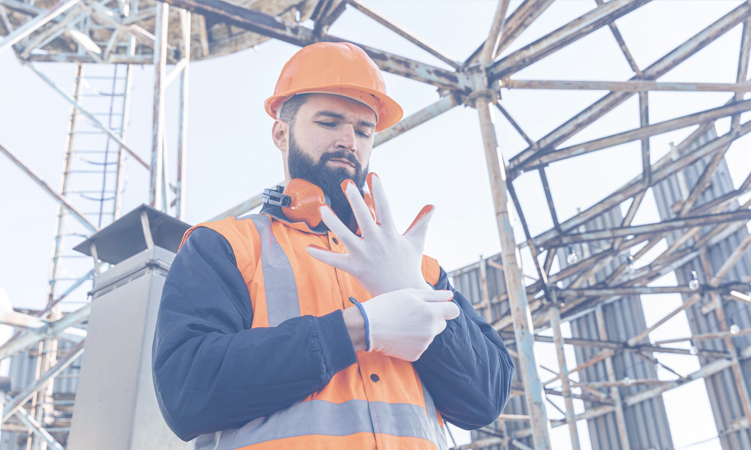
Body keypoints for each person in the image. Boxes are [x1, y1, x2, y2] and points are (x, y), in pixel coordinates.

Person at [152, 42, 514, 450]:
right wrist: (357, 329)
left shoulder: (418, 268)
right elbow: (187, 392)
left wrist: (411, 288)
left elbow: (485, 399)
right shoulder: (227, 245)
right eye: (329, 122)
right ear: (281, 133)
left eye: (364, 130)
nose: (350, 141)